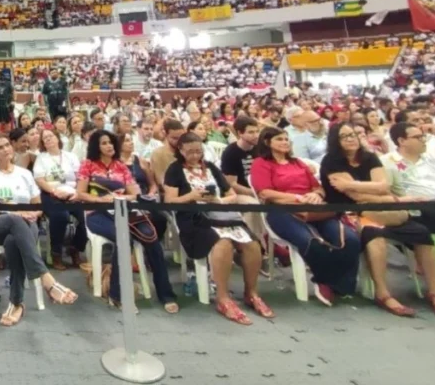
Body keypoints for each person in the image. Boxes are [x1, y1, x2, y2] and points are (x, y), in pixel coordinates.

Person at [320, 123, 435, 317]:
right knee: (375, 236)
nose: (351, 138)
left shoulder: (369, 157)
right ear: (336, 141)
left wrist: (354, 185)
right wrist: (391, 197)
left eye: (353, 134)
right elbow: (356, 197)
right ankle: (383, 293)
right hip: (353, 213)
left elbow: (383, 185)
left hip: (384, 209)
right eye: (345, 136)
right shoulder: (331, 162)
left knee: (422, 234)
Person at [164, 133, 272, 325]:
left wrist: (217, 200)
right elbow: (170, 200)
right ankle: (223, 298)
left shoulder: (211, 168)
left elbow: (231, 195)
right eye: (190, 152)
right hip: (193, 218)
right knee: (223, 243)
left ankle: (251, 293)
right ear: (181, 151)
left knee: (251, 243)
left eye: (198, 151)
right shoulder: (174, 170)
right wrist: (192, 196)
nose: (195, 156)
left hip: (220, 213)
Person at [249, 127, 361, 305]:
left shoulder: (298, 163)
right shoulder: (261, 163)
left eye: (287, 139)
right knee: (312, 242)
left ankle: (338, 283)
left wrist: (317, 195)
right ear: (267, 142)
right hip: (282, 211)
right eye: (279, 139)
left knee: (351, 240)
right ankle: (325, 280)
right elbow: (265, 193)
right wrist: (297, 198)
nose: (285, 142)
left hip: (314, 209)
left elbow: (318, 187)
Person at [0, 134, 78, 327]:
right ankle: (48, 280)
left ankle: (16, 304)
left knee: (14, 242)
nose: (6, 149)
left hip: (25, 224)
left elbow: (37, 207)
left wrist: (30, 214)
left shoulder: (25, 174)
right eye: (0, 147)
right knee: (14, 219)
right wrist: (12, 208)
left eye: (7, 145)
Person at [78, 130, 178, 312]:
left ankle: (166, 294)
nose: (109, 146)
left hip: (124, 211)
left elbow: (135, 193)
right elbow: (81, 193)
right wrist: (101, 200)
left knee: (153, 240)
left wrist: (122, 198)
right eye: (104, 143)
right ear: (96, 146)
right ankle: (117, 295)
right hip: (97, 213)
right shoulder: (88, 165)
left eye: (110, 142)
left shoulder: (121, 167)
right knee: (125, 240)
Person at [33, 128, 84, 269]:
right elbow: (40, 180)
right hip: (50, 193)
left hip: (72, 192)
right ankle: (56, 253)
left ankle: (75, 249)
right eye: (45, 138)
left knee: (85, 216)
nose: (48, 139)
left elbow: (80, 177)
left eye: (50, 136)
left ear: (57, 138)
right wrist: (55, 191)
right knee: (61, 216)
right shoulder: (41, 158)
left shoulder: (70, 156)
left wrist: (77, 193)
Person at [383, 122, 435, 233]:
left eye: (423, 136)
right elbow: (384, 192)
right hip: (421, 209)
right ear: (402, 141)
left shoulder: (430, 158)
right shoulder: (387, 162)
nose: (423, 140)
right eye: (418, 137)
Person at [219, 116, 266, 249]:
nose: (256, 135)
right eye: (251, 132)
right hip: (239, 193)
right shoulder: (231, 152)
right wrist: (255, 193)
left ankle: (275, 243)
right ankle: (256, 245)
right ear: (240, 133)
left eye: (257, 131)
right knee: (253, 206)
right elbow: (232, 184)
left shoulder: (260, 149)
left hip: (260, 190)